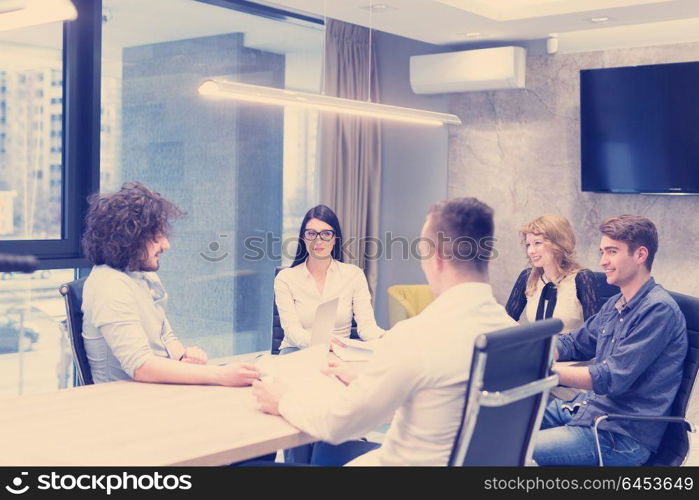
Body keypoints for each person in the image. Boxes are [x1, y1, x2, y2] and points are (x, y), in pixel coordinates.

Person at [253, 197, 517, 466]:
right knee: (325, 452)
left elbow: (337, 423)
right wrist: (368, 377)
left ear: (435, 257)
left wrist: (283, 400)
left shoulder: (415, 336)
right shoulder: (515, 334)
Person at [533, 215, 688, 466]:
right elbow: (574, 343)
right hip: (585, 411)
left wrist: (543, 368)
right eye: (602, 252)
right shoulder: (616, 303)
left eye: (612, 252)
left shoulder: (659, 311)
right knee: (499, 426)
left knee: (514, 452)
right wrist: (536, 352)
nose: (603, 261)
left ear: (640, 255)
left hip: (620, 437)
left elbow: (610, 377)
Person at [81, 182, 259, 387]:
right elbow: (141, 367)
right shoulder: (109, 285)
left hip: (155, 392)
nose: (166, 245)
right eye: (156, 237)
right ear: (129, 239)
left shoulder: (142, 276)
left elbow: (165, 336)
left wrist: (184, 356)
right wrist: (219, 375)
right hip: (125, 402)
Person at [274, 204, 385, 354]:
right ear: (303, 238)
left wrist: (385, 338)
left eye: (326, 234)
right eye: (311, 234)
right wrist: (324, 344)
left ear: (335, 239)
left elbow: (367, 326)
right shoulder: (286, 278)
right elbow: (292, 331)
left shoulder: (354, 275)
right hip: (296, 350)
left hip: (339, 352)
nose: (318, 241)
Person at [506, 215, 599, 333]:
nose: (530, 251)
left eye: (537, 243)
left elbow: (593, 334)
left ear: (558, 244)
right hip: (535, 349)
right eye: (528, 244)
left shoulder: (582, 279)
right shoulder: (527, 277)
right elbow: (506, 323)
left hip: (570, 350)